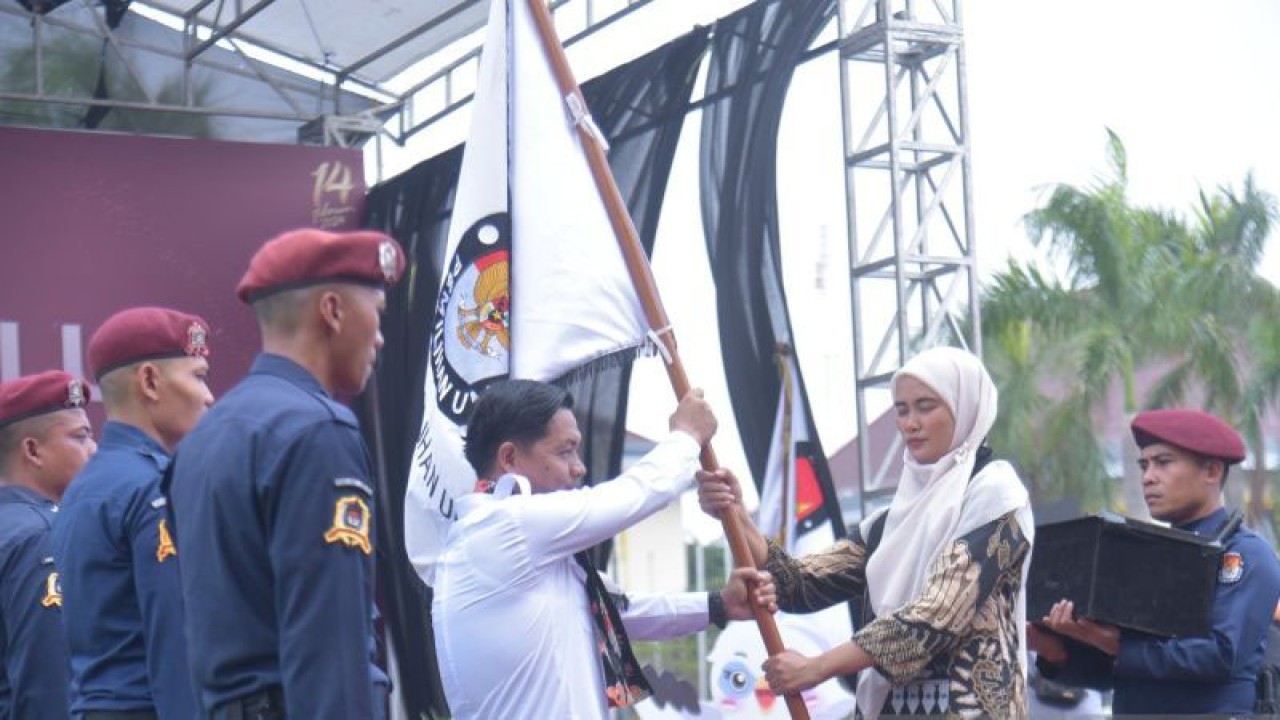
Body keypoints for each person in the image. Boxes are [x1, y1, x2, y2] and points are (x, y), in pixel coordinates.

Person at [698, 346, 1036, 718]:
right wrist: (734, 513)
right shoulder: (891, 521)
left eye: (926, 406)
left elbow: (936, 615)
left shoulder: (996, 495)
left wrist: (816, 668)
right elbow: (798, 582)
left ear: (966, 407)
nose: (910, 423)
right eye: (902, 409)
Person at [165, 228, 405, 720]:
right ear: (333, 310)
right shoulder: (317, 430)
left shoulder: (207, 437)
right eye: (377, 313)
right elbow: (328, 641)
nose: (380, 336)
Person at [432, 379, 777, 720]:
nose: (579, 467)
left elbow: (616, 612)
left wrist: (718, 605)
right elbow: (631, 496)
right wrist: (686, 436)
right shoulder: (502, 526)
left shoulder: (525, 546)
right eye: (564, 450)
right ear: (509, 457)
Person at [1031, 408, 1280, 716]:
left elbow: (1220, 655)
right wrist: (1053, 647)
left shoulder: (1244, 553)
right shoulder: (1141, 556)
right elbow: (1119, 672)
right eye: (1144, 465)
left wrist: (1117, 645)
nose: (1148, 477)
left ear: (1212, 472)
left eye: (1164, 463)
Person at [52, 307, 213, 720]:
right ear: (150, 381)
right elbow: (174, 639)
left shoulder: (85, 486)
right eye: (198, 376)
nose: (209, 395)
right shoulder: (151, 488)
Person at [0, 370, 96, 720]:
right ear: (32, 449)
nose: (93, 448)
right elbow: (48, 684)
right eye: (80, 436)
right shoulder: (41, 536)